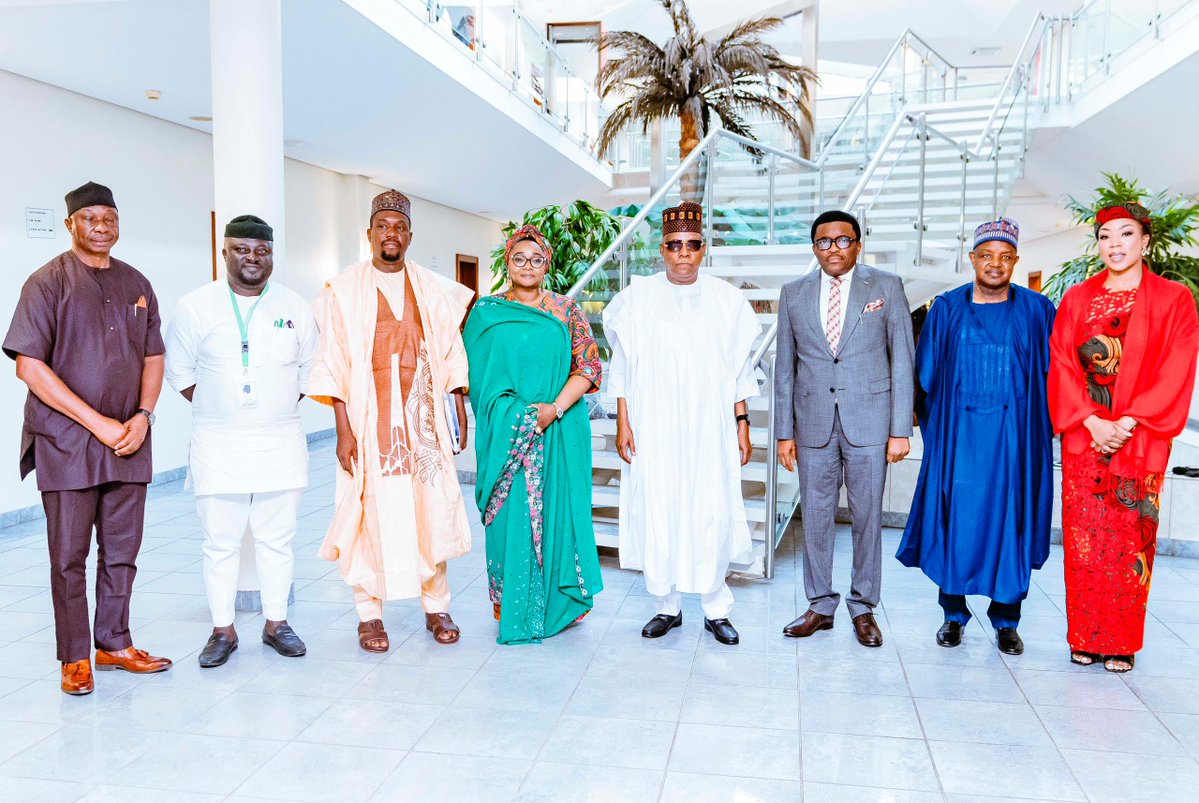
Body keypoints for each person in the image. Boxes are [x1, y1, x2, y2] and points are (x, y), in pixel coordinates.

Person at [3, 181, 172, 695]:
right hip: (67, 443)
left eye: (111, 218)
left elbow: (153, 356)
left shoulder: (136, 281)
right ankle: (75, 656)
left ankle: (114, 643)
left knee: (122, 550)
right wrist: (97, 423)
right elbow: (29, 367)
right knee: (68, 556)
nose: (102, 227)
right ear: (71, 223)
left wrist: (143, 416)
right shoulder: (47, 282)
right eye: (91, 218)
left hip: (128, 439)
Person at [309, 189, 473, 651]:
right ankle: (369, 614)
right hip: (368, 420)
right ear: (369, 234)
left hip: (421, 421)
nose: (391, 234)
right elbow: (334, 362)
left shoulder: (431, 288)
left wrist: (459, 405)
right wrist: (342, 430)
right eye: (383, 225)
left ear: (410, 235)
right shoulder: (344, 291)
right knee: (368, 513)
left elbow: (450, 352)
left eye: (400, 227)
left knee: (431, 508)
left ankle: (436, 606)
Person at [1049, 202, 1198, 674]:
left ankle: (1121, 641)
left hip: (1141, 437)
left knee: (1131, 541)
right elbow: (1062, 365)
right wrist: (1093, 421)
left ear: (1146, 241)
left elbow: (1177, 368)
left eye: (1126, 234)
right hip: (1086, 439)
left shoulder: (1174, 299)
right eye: (1106, 236)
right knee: (1085, 541)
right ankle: (1085, 637)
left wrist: (1127, 423)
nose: (1115, 244)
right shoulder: (1077, 298)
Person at [164, 215, 318, 667]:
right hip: (218, 443)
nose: (253, 258)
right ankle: (222, 630)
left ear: (272, 254)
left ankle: (276, 623)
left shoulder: (294, 306)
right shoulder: (196, 306)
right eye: (243, 249)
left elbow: (311, 369)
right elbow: (180, 374)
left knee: (278, 538)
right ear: (225, 251)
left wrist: (272, 405)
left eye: (262, 250)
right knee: (221, 541)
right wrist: (223, 407)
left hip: (280, 441)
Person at [896, 219, 1056, 655]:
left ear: (1015, 262)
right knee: (956, 523)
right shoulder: (946, 308)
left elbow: (1055, 376)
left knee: (1011, 523)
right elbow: (925, 374)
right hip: (959, 442)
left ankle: (1007, 620)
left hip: (1015, 444)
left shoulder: (1038, 310)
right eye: (986, 256)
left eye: (1005, 257)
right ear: (973, 259)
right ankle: (953, 615)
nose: (995, 265)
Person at [603, 201, 758, 646]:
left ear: (703, 249)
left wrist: (742, 423)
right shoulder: (636, 298)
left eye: (691, 245)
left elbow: (739, 371)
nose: (683, 253)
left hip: (710, 427)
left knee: (711, 509)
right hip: (654, 426)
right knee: (660, 508)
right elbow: (622, 369)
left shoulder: (727, 300)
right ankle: (667, 606)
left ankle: (715, 608)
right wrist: (623, 423)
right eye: (675, 245)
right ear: (663, 250)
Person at [776, 210, 915, 647]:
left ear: (858, 243)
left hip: (871, 422)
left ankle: (863, 607)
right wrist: (784, 432)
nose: (833, 249)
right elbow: (784, 369)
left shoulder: (886, 286)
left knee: (867, 517)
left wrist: (900, 428)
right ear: (813, 247)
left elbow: (902, 361)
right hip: (812, 422)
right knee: (815, 518)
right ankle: (820, 605)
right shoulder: (793, 293)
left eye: (842, 240)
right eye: (823, 241)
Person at [463, 225, 604, 644]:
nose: (528, 266)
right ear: (507, 262)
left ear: (548, 265)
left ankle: (560, 600)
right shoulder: (486, 314)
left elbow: (589, 369)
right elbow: (478, 378)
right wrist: (519, 415)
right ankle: (511, 602)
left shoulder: (566, 310)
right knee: (509, 514)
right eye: (519, 258)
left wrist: (553, 410)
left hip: (559, 431)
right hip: (506, 433)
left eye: (536, 259)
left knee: (560, 511)